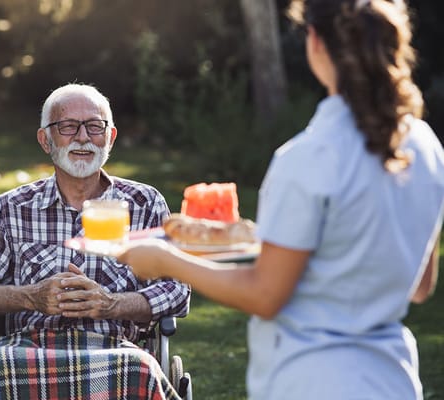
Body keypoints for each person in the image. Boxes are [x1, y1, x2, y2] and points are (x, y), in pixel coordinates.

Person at [117, 0, 444, 399]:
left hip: (313, 381)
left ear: (316, 41)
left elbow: (265, 295)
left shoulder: (308, 157)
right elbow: (420, 284)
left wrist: (166, 260)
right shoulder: (426, 146)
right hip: (393, 379)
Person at [0, 83, 190, 399]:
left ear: (111, 137)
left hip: (116, 349)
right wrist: (30, 297)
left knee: (141, 371)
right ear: (45, 140)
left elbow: (177, 290)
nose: (83, 137)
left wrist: (112, 305)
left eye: (94, 126)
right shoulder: (12, 207)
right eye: (68, 126)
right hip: (26, 347)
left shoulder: (144, 203)